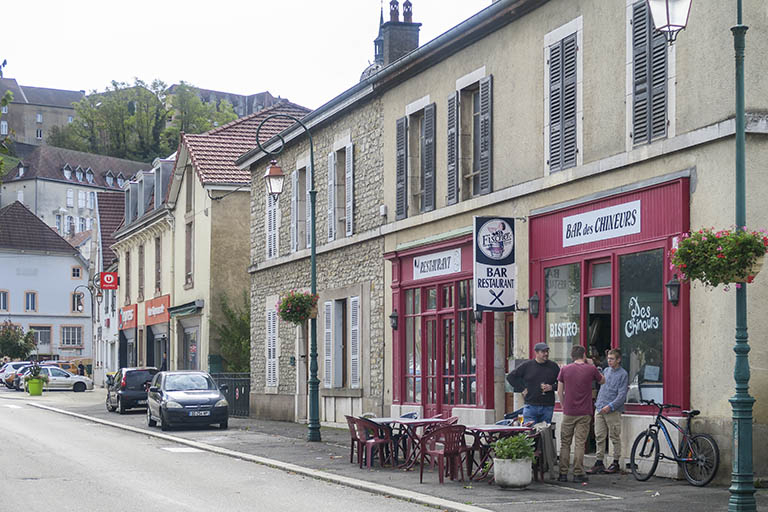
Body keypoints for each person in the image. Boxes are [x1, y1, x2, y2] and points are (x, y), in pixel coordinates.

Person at [557, 345, 605, 483]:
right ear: (584, 355)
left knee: (565, 443)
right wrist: (592, 364)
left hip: (569, 411)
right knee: (579, 443)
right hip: (584, 411)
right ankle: (578, 472)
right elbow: (603, 380)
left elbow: (560, 391)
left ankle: (563, 473)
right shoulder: (591, 369)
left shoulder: (565, 369)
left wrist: (564, 406)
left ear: (572, 356)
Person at [588, 348, 629, 475]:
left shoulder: (623, 374)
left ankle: (615, 462)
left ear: (618, 360)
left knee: (614, 436)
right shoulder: (606, 370)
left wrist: (610, 406)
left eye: (612, 359)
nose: (609, 361)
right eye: (608, 359)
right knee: (599, 436)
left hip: (613, 410)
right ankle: (599, 462)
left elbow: (622, 395)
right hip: (600, 407)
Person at [505, 342, 560, 424]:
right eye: (543, 352)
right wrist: (522, 388)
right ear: (536, 353)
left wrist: (552, 387)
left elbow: (562, 383)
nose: (546, 354)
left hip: (547, 405)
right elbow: (511, 377)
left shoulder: (553, 366)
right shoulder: (527, 366)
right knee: (529, 430)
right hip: (531, 405)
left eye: (547, 351)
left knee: (544, 430)